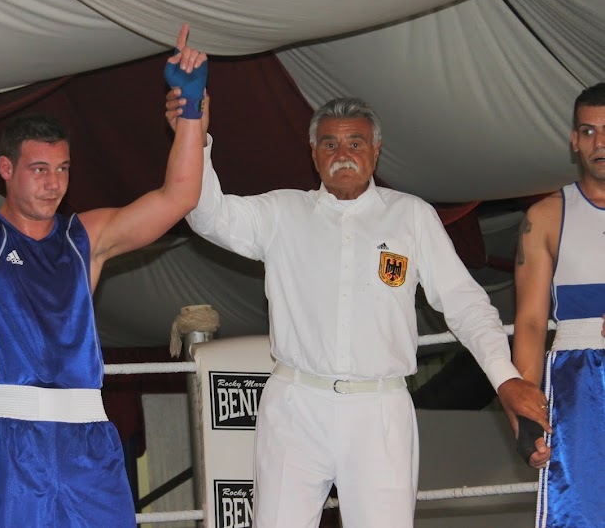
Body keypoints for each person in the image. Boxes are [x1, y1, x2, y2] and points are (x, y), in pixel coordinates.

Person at [0, 0, 207, 526]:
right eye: (39, 169)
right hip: (15, 439)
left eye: (62, 169)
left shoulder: (86, 239)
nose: (53, 182)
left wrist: (191, 110)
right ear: (5, 170)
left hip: (90, 437)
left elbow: (178, 197)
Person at [166, 90, 549, 528]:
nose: (342, 154)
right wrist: (193, 134)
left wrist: (505, 378)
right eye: (329, 144)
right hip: (295, 405)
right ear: (313, 153)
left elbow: (465, 304)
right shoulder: (281, 212)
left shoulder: (411, 216)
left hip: (380, 409)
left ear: (376, 150)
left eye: (355, 143)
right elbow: (207, 215)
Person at [512, 82, 605, 526]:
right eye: (589, 131)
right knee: (582, 514)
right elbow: (531, 322)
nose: (600, 143)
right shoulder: (546, 216)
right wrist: (526, 421)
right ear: (574, 140)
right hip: (577, 382)